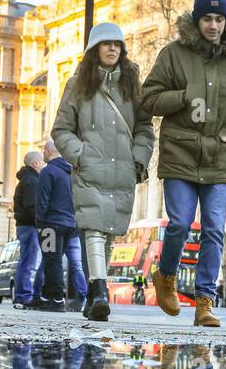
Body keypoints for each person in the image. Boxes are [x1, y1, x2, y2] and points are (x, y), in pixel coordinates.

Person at [142, 0, 226, 329]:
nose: (214, 25)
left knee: (214, 229)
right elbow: (149, 98)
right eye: (207, 19)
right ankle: (166, 276)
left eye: (219, 20)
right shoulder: (173, 55)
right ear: (197, 21)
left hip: (219, 155)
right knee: (179, 222)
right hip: (180, 152)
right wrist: (181, 98)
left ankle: (205, 301)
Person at [51, 22, 154, 322]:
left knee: (109, 234)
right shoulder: (77, 85)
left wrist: (138, 159)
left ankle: (92, 296)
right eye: (106, 43)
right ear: (94, 49)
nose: (112, 48)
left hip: (122, 170)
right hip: (90, 169)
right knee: (93, 229)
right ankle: (98, 292)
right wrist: (81, 155)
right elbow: (61, 129)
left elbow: (145, 128)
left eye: (117, 44)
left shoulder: (133, 84)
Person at [36, 138, 79, 313]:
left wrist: (39, 223)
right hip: (69, 223)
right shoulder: (70, 172)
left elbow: (42, 199)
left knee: (51, 260)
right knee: (54, 259)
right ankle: (46, 296)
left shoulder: (48, 172)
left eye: (43, 152)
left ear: (47, 151)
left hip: (51, 224)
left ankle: (56, 298)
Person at [12, 151, 45, 310]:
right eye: (42, 162)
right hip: (30, 226)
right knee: (28, 262)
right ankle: (24, 295)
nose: (43, 165)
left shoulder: (26, 180)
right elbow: (32, 206)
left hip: (24, 225)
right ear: (35, 164)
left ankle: (22, 294)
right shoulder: (32, 181)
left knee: (26, 261)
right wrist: (40, 223)